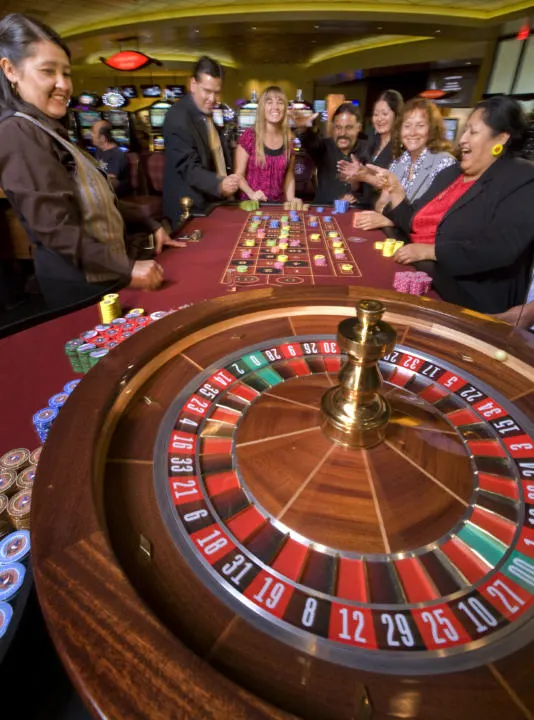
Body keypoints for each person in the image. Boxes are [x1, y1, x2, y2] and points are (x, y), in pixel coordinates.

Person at [0, 14, 181, 310]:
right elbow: (56, 228)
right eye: (48, 71)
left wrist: (149, 223)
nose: (63, 84)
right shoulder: (16, 132)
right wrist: (127, 268)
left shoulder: (47, 128)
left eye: (67, 73)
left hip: (102, 276)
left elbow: (99, 199)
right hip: (80, 286)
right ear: (10, 70)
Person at [373, 95, 534, 314]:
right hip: (419, 272)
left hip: (465, 300)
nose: (462, 140)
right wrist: (396, 190)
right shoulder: (452, 173)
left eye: (473, 132)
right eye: (464, 130)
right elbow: (413, 221)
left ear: (501, 139)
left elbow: (499, 249)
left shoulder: (522, 177)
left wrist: (432, 251)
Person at [340, 98, 457, 230]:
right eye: (407, 126)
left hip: (422, 246)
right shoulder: (399, 162)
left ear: (432, 130)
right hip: (397, 236)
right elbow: (381, 205)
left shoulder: (445, 163)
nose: (412, 132)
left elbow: (433, 220)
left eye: (420, 125)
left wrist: (390, 221)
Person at [163, 56, 239, 227]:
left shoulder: (206, 112)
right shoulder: (177, 117)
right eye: (207, 91)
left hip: (211, 203)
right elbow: (188, 168)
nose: (212, 99)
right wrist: (219, 184)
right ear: (193, 85)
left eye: (216, 92)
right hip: (189, 208)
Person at [291, 102, 366, 205]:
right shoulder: (323, 147)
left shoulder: (369, 149)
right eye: (338, 128)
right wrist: (303, 130)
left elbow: (374, 190)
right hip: (324, 210)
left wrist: (356, 197)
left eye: (348, 128)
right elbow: (310, 142)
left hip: (357, 214)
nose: (342, 133)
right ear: (333, 128)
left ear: (359, 127)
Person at [235, 86, 296, 203]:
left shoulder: (290, 139)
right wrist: (251, 193)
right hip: (252, 204)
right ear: (262, 107)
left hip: (278, 206)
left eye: (280, 102)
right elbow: (239, 175)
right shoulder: (249, 136)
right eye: (269, 102)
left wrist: (291, 199)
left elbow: (289, 174)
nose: (275, 107)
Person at [91, 119, 131, 197]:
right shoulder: (99, 150)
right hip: (101, 189)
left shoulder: (116, 154)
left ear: (103, 138)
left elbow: (111, 180)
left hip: (116, 193)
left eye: (94, 132)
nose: (91, 135)